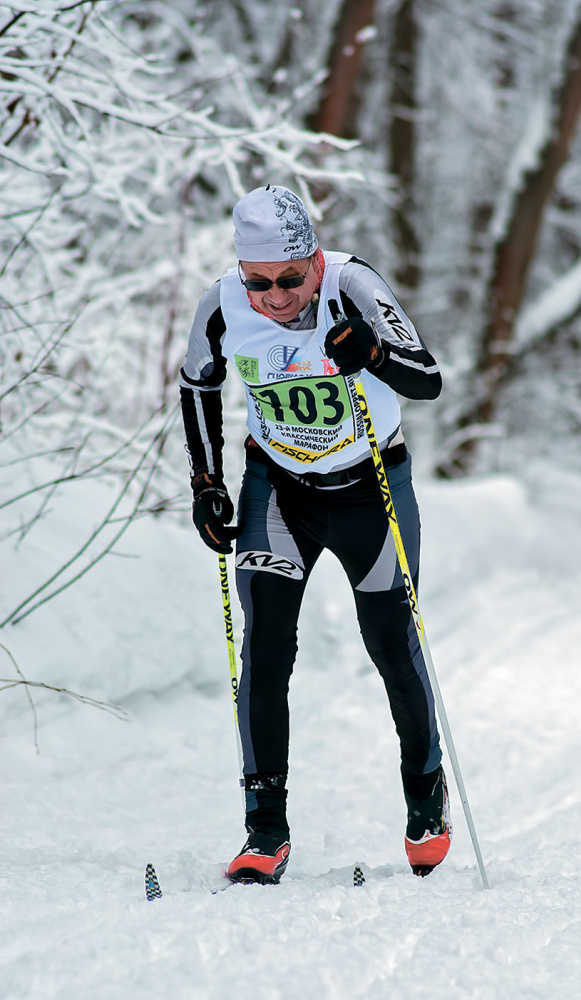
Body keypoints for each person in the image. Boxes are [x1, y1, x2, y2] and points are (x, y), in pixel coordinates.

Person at [179, 185, 450, 884]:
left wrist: (375, 356)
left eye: (289, 279)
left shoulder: (354, 285)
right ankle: (264, 832)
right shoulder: (220, 305)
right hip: (278, 492)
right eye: (257, 281)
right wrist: (205, 483)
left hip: (372, 489)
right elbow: (197, 385)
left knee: (391, 644)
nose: (272, 296)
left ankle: (425, 797)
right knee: (265, 646)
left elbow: (427, 381)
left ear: (314, 260)